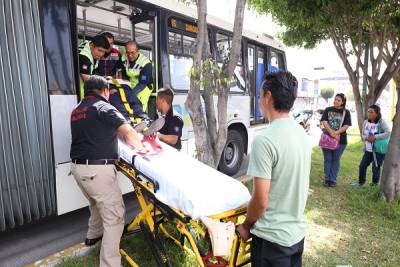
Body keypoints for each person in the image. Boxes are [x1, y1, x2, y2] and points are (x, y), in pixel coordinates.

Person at [236, 71, 311, 267]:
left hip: (272, 241)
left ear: (268, 96)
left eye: (260, 94)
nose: (259, 99)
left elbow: (261, 200)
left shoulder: (265, 140)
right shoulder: (301, 133)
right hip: (295, 236)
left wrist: (245, 226)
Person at [70, 75, 144, 267]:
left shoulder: (77, 110)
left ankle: (93, 237)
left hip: (78, 169)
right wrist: (141, 149)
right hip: (97, 171)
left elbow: (94, 133)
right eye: (109, 92)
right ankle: (109, 264)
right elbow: (128, 131)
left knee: (95, 203)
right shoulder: (104, 107)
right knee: (115, 217)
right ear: (104, 91)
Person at [352, 105, 391, 188]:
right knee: (362, 165)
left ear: (377, 113)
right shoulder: (366, 122)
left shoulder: (381, 122)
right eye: (368, 111)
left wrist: (375, 137)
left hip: (379, 150)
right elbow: (362, 134)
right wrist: (367, 138)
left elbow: (388, 133)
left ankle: (374, 186)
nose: (369, 113)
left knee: (375, 168)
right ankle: (360, 183)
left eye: (371, 112)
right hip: (368, 149)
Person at [320, 93, 352, 187]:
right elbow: (324, 122)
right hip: (327, 139)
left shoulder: (346, 112)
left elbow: (346, 125)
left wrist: (336, 133)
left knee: (335, 160)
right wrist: (332, 133)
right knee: (327, 159)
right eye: (335, 99)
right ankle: (327, 179)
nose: (336, 101)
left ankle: (332, 180)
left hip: (341, 140)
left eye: (338, 100)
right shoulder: (328, 110)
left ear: (343, 102)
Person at [121, 40, 153, 112]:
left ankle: (141, 119)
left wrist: (130, 94)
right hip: (130, 84)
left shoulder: (145, 63)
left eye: (132, 53)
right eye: (127, 52)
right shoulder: (124, 58)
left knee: (138, 106)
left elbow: (142, 84)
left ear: (138, 51)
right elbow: (124, 76)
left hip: (144, 87)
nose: (129, 55)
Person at [78, 35, 110, 100]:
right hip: (79, 93)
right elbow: (87, 80)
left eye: (103, 52)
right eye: (99, 50)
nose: (101, 54)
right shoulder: (84, 57)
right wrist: (104, 89)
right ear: (92, 45)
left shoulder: (90, 47)